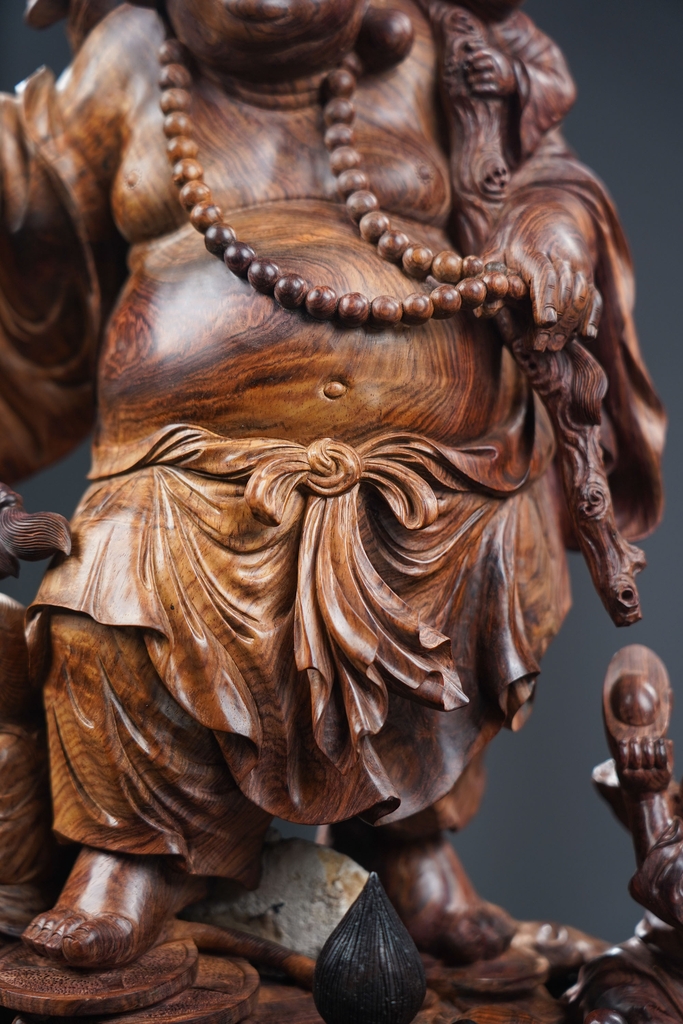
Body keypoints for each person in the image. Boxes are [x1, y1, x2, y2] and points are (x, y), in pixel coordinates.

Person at [0, 0, 665, 970]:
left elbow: (539, 178)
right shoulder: (135, 56)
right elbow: (34, 192)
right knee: (109, 601)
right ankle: (128, 855)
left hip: (440, 465)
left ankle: (411, 847)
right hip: (182, 463)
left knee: (475, 589)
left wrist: (550, 238)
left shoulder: (430, 49)